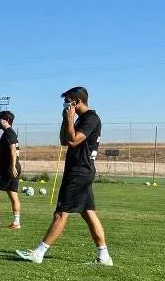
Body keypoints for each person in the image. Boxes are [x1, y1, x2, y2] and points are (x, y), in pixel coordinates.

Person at [16, 86, 112, 266]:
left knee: (61, 213)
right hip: (80, 171)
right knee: (88, 213)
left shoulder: (91, 118)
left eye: (68, 101)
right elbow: (64, 140)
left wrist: (69, 119)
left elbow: (74, 140)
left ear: (78, 101)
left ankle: (39, 253)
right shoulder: (80, 119)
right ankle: (104, 256)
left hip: (79, 172)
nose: (66, 105)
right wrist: (65, 119)